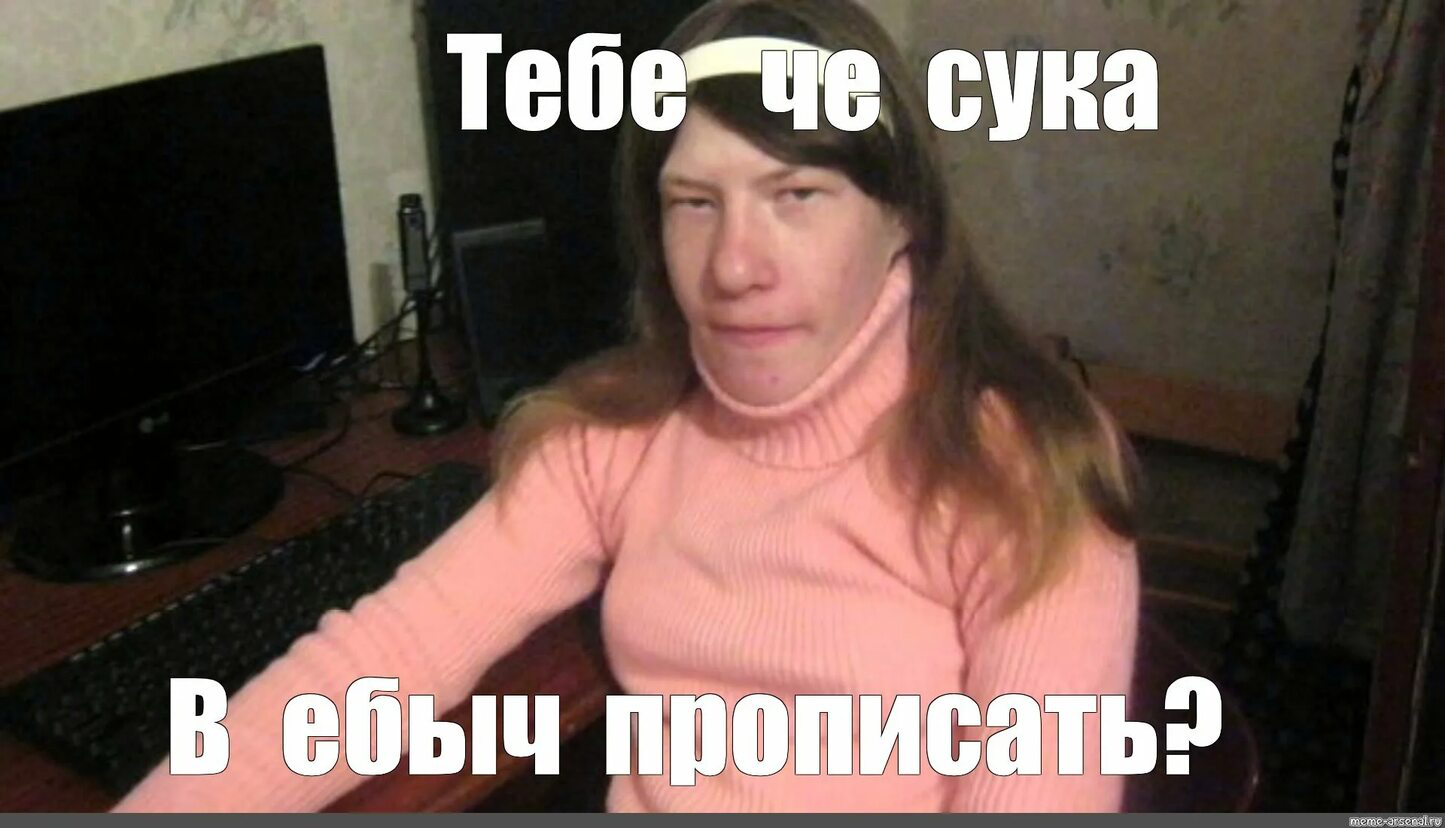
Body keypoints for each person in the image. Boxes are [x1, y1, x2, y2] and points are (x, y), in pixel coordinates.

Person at [114, 0, 1140, 813]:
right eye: (695, 203)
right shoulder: (613, 436)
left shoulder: (1021, 465)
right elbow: (385, 659)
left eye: (795, 196)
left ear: (901, 215)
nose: (734, 265)